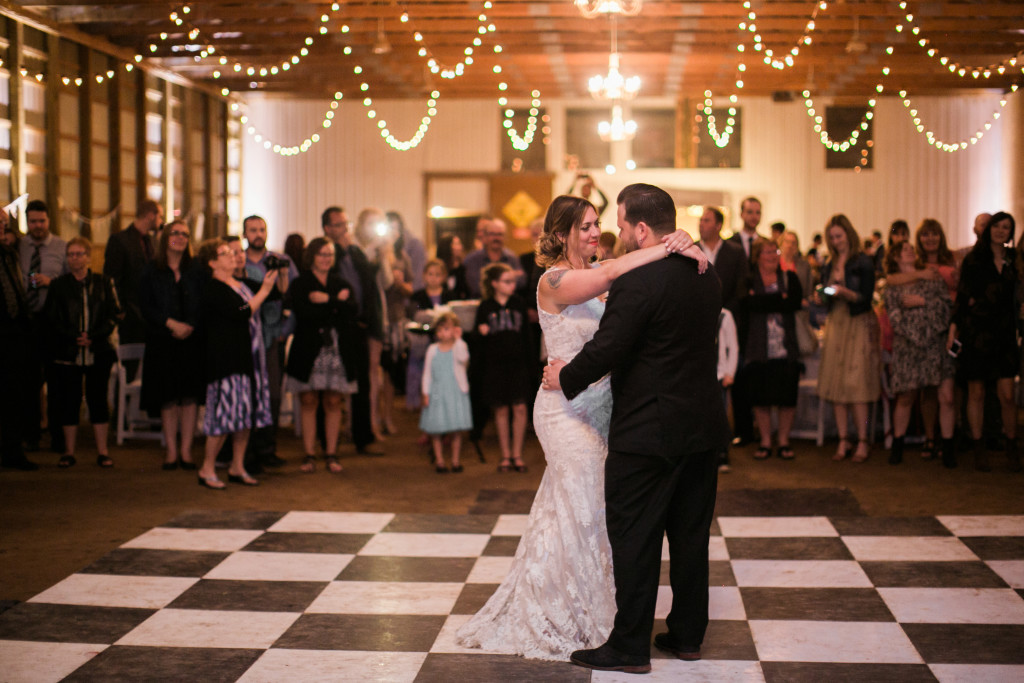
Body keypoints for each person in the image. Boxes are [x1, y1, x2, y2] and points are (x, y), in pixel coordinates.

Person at [456, 192, 704, 662]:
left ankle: (597, 610)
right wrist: (671, 244)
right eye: (586, 226)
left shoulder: (601, 275)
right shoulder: (554, 280)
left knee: (584, 510)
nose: (595, 233)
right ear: (563, 232)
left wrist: (685, 247)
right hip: (565, 411)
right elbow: (611, 274)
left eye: (597, 225)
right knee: (586, 506)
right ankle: (565, 615)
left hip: (604, 409)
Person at [543, 184, 727, 673]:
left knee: (635, 534)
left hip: (648, 429)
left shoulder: (639, 281)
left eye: (622, 225)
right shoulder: (704, 269)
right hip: (704, 425)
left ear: (642, 228)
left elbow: (609, 348)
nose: (616, 234)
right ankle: (687, 635)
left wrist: (566, 376)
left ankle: (628, 646)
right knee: (690, 535)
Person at [195, 238, 278, 490]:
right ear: (212, 262)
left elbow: (275, 295)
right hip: (225, 359)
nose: (232, 256)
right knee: (223, 417)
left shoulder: (238, 283)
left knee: (243, 416)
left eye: (232, 252)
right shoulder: (213, 289)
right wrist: (263, 291)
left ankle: (237, 465)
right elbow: (241, 313)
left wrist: (270, 284)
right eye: (224, 253)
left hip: (246, 356)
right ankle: (207, 468)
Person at [950, 212, 1020, 472]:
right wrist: (954, 329)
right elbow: (963, 297)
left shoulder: (1014, 260)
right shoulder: (974, 260)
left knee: (1007, 395)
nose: (1001, 231)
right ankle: (978, 447)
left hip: (1004, 333)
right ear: (988, 229)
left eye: (1007, 227)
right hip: (977, 332)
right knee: (976, 392)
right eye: (998, 226)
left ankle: (1012, 446)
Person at [43, 238, 120, 468]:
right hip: (68, 351)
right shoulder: (59, 285)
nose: (74, 258)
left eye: (78, 254)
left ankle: (103, 451)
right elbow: (52, 318)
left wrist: (94, 336)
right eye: (70, 254)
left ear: (88, 256)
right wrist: (73, 336)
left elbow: (114, 313)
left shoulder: (104, 282)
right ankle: (69, 451)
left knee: (98, 399)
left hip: (98, 350)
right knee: (70, 400)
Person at [286, 237, 359, 474]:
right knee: (308, 400)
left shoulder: (340, 282)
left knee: (333, 400)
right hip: (308, 348)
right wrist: (337, 304)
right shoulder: (300, 283)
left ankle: (331, 452)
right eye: (322, 254)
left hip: (336, 348)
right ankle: (309, 453)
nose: (326, 259)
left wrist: (328, 300)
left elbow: (352, 312)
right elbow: (305, 314)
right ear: (312, 257)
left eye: (330, 254)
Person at [139, 220, 204, 470]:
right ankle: (171, 451)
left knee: (189, 398)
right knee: (167, 397)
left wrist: (190, 325)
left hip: (191, 340)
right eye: (175, 233)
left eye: (185, 234)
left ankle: (186, 451)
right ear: (165, 237)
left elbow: (202, 302)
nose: (180, 237)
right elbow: (145, 306)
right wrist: (169, 323)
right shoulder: (151, 270)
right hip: (162, 340)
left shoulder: (195, 270)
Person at [815, 214, 880, 463]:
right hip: (837, 322)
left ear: (848, 234)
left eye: (839, 236)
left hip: (858, 322)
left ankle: (863, 439)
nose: (835, 241)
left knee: (858, 384)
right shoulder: (828, 263)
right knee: (836, 381)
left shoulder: (862, 261)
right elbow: (827, 292)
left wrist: (845, 292)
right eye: (832, 237)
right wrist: (824, 296)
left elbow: (866, 296)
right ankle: (843, 439)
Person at [883, 241, 954, 466]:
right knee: (905, 397)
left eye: (912, 248)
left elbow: (946, 308)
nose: (911, 251)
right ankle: (898, 446)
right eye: (906, 250)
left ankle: (948, 448)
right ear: (896, 257)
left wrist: (923, 303)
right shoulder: (893, 286)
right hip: (907, 347)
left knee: (946, 396)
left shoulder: (932, 278)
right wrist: (915, 335)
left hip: (935, 345)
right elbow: (894, 315)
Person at [322, 206, 380, 455]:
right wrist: (340, 251)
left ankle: (363, 437)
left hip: (358, 325)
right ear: (327, 228)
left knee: (362, 383)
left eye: (345, 224)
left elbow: (368, 281)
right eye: (338, 225)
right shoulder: (322, 252)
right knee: (333, 385)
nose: (344, 229)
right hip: (336, 326)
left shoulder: (355, 251)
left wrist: (368, 319)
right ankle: (328, 442)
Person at [741, 239, 804, 460]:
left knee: (787, 397)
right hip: (758, 347)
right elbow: (748, 305)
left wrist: (763, 301)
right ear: (757, 256)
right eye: (767, 252)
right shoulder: (749, 279)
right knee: (761, 397)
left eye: (774, 251)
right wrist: (779, 299)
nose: (772, 256)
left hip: (786, 348)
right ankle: (766, 441)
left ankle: (784, 440)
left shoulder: (790, 278)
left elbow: (794, 303)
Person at [243, 215, 296, 469]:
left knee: (274, 394)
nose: (258, 234)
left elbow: (292, 298)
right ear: (245, 234)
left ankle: (268, 447)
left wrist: (285, 331)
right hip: (247, 338)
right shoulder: (238, 261)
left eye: (262, 229)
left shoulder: (280, 261)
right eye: (252, 230)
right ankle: (248, 450)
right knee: (251, 394)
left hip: (273, 336)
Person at [474, 262, 533, 472]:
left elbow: (527, 336)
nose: (512, 286)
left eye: (513, 281)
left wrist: (530, 365)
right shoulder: (485, 307)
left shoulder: (518, 304)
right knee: (500, 410)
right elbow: (477, 341)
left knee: (519, 407)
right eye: (507, 282)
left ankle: (517, 454)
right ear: (495, 284)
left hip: (518, 365)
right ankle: (505, 455)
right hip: (495, 366)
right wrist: (481, 333)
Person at [20, 199, 67, 453]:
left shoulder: (61, 246)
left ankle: (58, 436)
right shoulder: (20, 246)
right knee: (29, 382)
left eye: (42, 221)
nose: (38, 226)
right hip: (27, 321)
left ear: (49, 221)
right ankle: (32, 434)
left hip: (52, 322)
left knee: (56, 381)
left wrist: (52, 282)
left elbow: (71, 283)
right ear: (28, 222)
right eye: (33, 222)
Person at [0, 211, 38, 469]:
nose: (3, 228)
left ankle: (13, 452)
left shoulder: (9, 253)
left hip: (14, 332)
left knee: (14, 394)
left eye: (4, 223)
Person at [420, 311, 472, 473]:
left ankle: (455, 460)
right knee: (437, 428)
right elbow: (427, 373)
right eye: (440, 329)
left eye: (447, 329)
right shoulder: (432, 350)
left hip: (455, 392)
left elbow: (463, 358)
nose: (443, 333)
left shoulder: (459, 346)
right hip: (438, 393)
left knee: (456, 428)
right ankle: (440, 460)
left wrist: (458, 339)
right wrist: (425, 392)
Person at [104, 200, 161, 345]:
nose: (161, 220)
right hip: (130, 312)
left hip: (150, 312)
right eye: (160, 216)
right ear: (150, 215)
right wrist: (119, 310)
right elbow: (111, 278)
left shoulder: (152, 241)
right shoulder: (120, 240)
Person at [406, 259, 457, 410]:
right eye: (430, 274)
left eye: (437, 274)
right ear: (424, 276)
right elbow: (413, 316)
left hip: (444, 344)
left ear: (443, 277)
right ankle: (422, 409)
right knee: (421, 377)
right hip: (422, 343)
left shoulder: (449, 296)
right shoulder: (418, 296)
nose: (433, 278)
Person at [463, 217, 523, 298]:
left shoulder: (511, 258)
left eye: (500, 234)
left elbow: (522, 281)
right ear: (485, 236)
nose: (496, 238)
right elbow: (475, 286)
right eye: (492, 234)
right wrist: (509, 279)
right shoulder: (472, 259)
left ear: (505, 237)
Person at [435, 233, 470, 299]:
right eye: (457, 244)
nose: (460, 247)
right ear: (447, 247)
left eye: (460, 244)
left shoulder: (463, 268)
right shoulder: (439, 269)